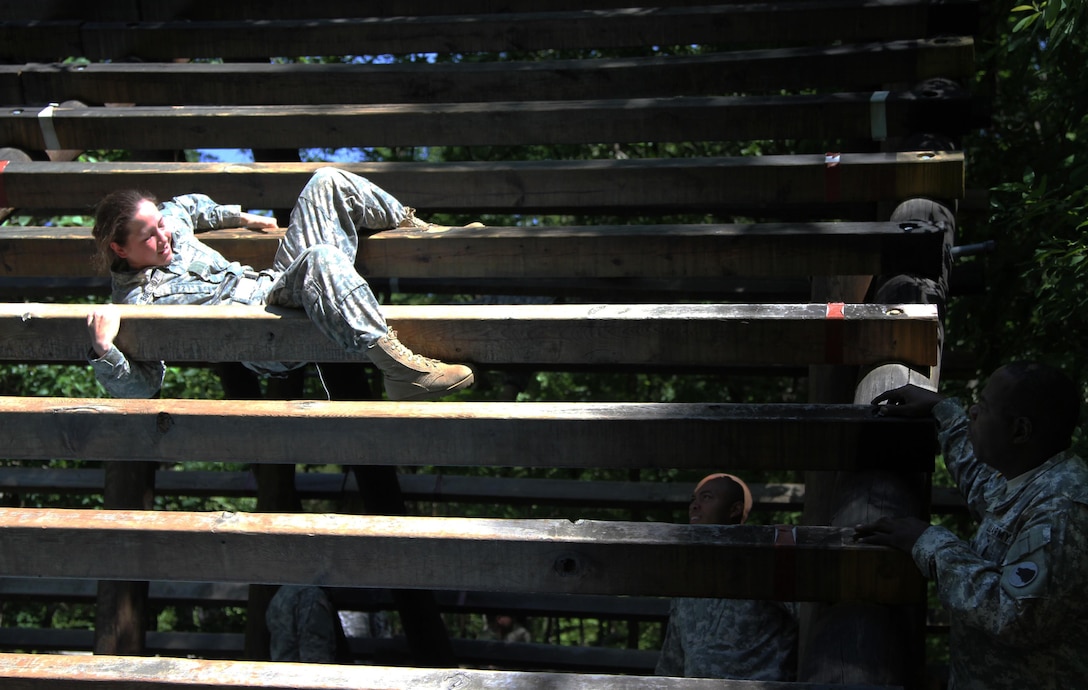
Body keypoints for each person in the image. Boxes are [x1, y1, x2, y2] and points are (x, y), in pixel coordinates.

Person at [86, 167, 477, 401]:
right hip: (263, 332)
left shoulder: (168, 226)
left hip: (275, 285)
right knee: (320, 258)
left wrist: (239, 218)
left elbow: (186, 208)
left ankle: (428, 235)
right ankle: (400, 372)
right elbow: (143, 386)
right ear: (119, 249)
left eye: (160, 224)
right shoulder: (136, 303)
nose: (164, 235)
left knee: (326, 181)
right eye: (148, 237)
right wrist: (104, 352)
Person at [856, 362, 1088, 690]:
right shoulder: (1032, 477)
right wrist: (943, 410)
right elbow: (980, 480)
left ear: (1020, 431)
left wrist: (931, 542)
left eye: (985, 407)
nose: (974, 411)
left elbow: (1015, 616)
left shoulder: (1062, 509)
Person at [656, 473, 798, 680]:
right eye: (693, 500)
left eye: (706, 498)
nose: (695, 506)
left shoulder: (762, 564)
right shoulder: (688, 581)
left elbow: (813, 617)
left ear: (734, 509)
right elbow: (672, 664)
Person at [265, 585, 351, 663]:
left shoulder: (285, 593)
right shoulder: (311, 596)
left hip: (285, 673)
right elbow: (314, 658)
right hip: (303, 675)